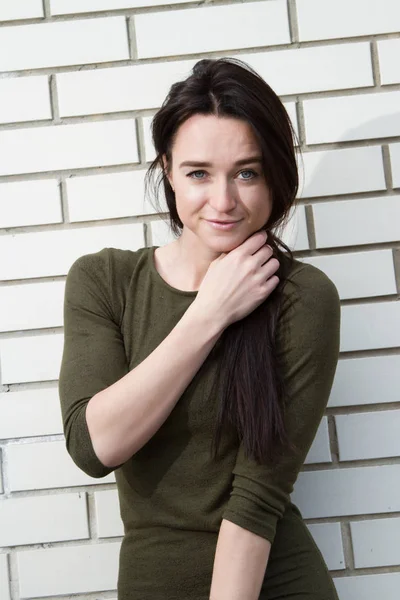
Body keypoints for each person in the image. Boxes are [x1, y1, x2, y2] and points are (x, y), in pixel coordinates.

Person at [58, 57, 341, 600]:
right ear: (167, 170)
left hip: (269, 581)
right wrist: (209, 313)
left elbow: (257, 499)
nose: (224, 201)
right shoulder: (104, 281)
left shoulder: (303, 298)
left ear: (274, 175)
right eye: (198, 173)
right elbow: (96, 446)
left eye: (247, 172)